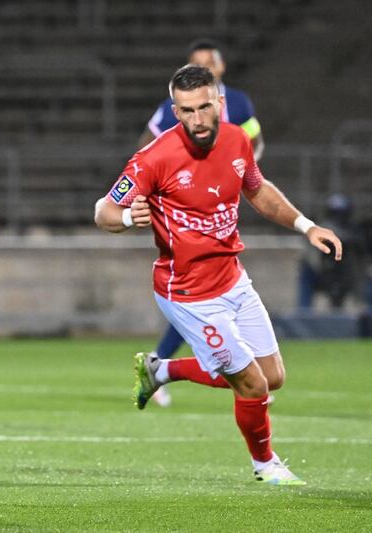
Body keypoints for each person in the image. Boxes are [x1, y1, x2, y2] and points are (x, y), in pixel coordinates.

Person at [94, 64, 342, 485]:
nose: (196, 119)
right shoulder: (155, 158)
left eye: (204, 107)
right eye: (186, 111)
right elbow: (104, 211)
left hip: (233, 280)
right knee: (252, 385)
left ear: (219, 103)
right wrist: (129, 219)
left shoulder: (236, 140)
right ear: (175, 110)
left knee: (273, 377)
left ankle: (161, 371)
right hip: (188, 291)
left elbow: (258, 190)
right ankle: (266, 464)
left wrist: (306, 225)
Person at [137, 38, 266, 407]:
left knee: (222, 292)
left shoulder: (238, 103)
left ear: (221, 68)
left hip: (228, 201)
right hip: (189, 210)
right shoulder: (172, 108)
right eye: (195, 63)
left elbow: (255, 141)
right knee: (197, 294)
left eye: (208, 63)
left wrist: (240, 171)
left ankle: (163, 368)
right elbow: (147, 145)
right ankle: (166, 369)